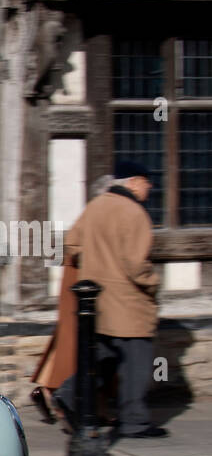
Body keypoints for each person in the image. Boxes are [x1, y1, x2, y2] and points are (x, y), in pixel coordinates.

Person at [52, 161, 166, 439]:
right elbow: (136, 264)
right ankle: (134, 422)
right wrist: (154, 283)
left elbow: (72, 245)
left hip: (96, 301)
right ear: (134, 181)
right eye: (146, 181)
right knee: (136, 362)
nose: (149, 187)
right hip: (129, 301)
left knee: (102, 355)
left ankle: (68, 395)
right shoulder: (134, 212)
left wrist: (95, 268)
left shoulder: (96, 206)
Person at [30, 173, 112, 426]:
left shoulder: (96, 214)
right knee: (77, 347)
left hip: (79, 284)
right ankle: (66, 400)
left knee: (67, 343)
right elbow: (76, 246)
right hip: (84, 285)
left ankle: (46, 391)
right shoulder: (98, 214)